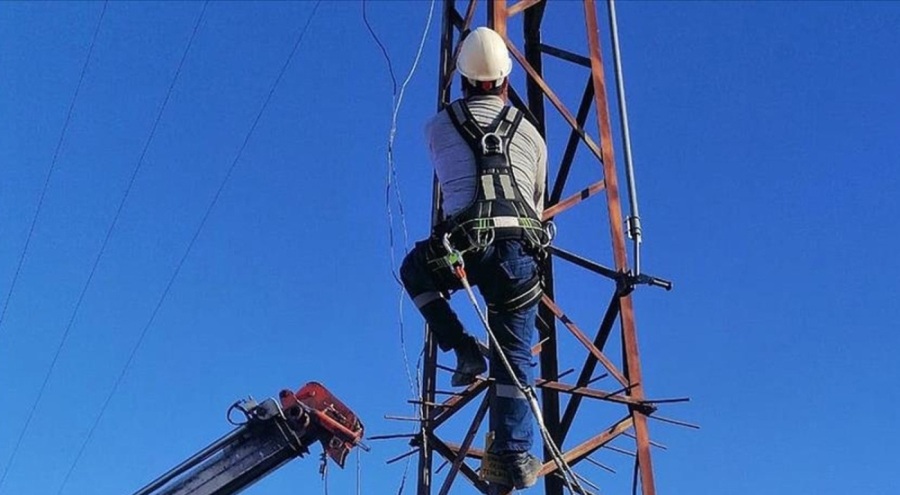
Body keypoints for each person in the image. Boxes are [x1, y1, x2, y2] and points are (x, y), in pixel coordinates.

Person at [399, 26, 548, 490]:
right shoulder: (534, 137)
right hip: (519, 254)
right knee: (516, 355)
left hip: (464, 247)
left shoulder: (438, 126)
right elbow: (537, 199)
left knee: (414, 271)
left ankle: (463, 348)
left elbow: (448, 179)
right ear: (506, 82)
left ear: (461, 80)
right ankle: (515, 451)